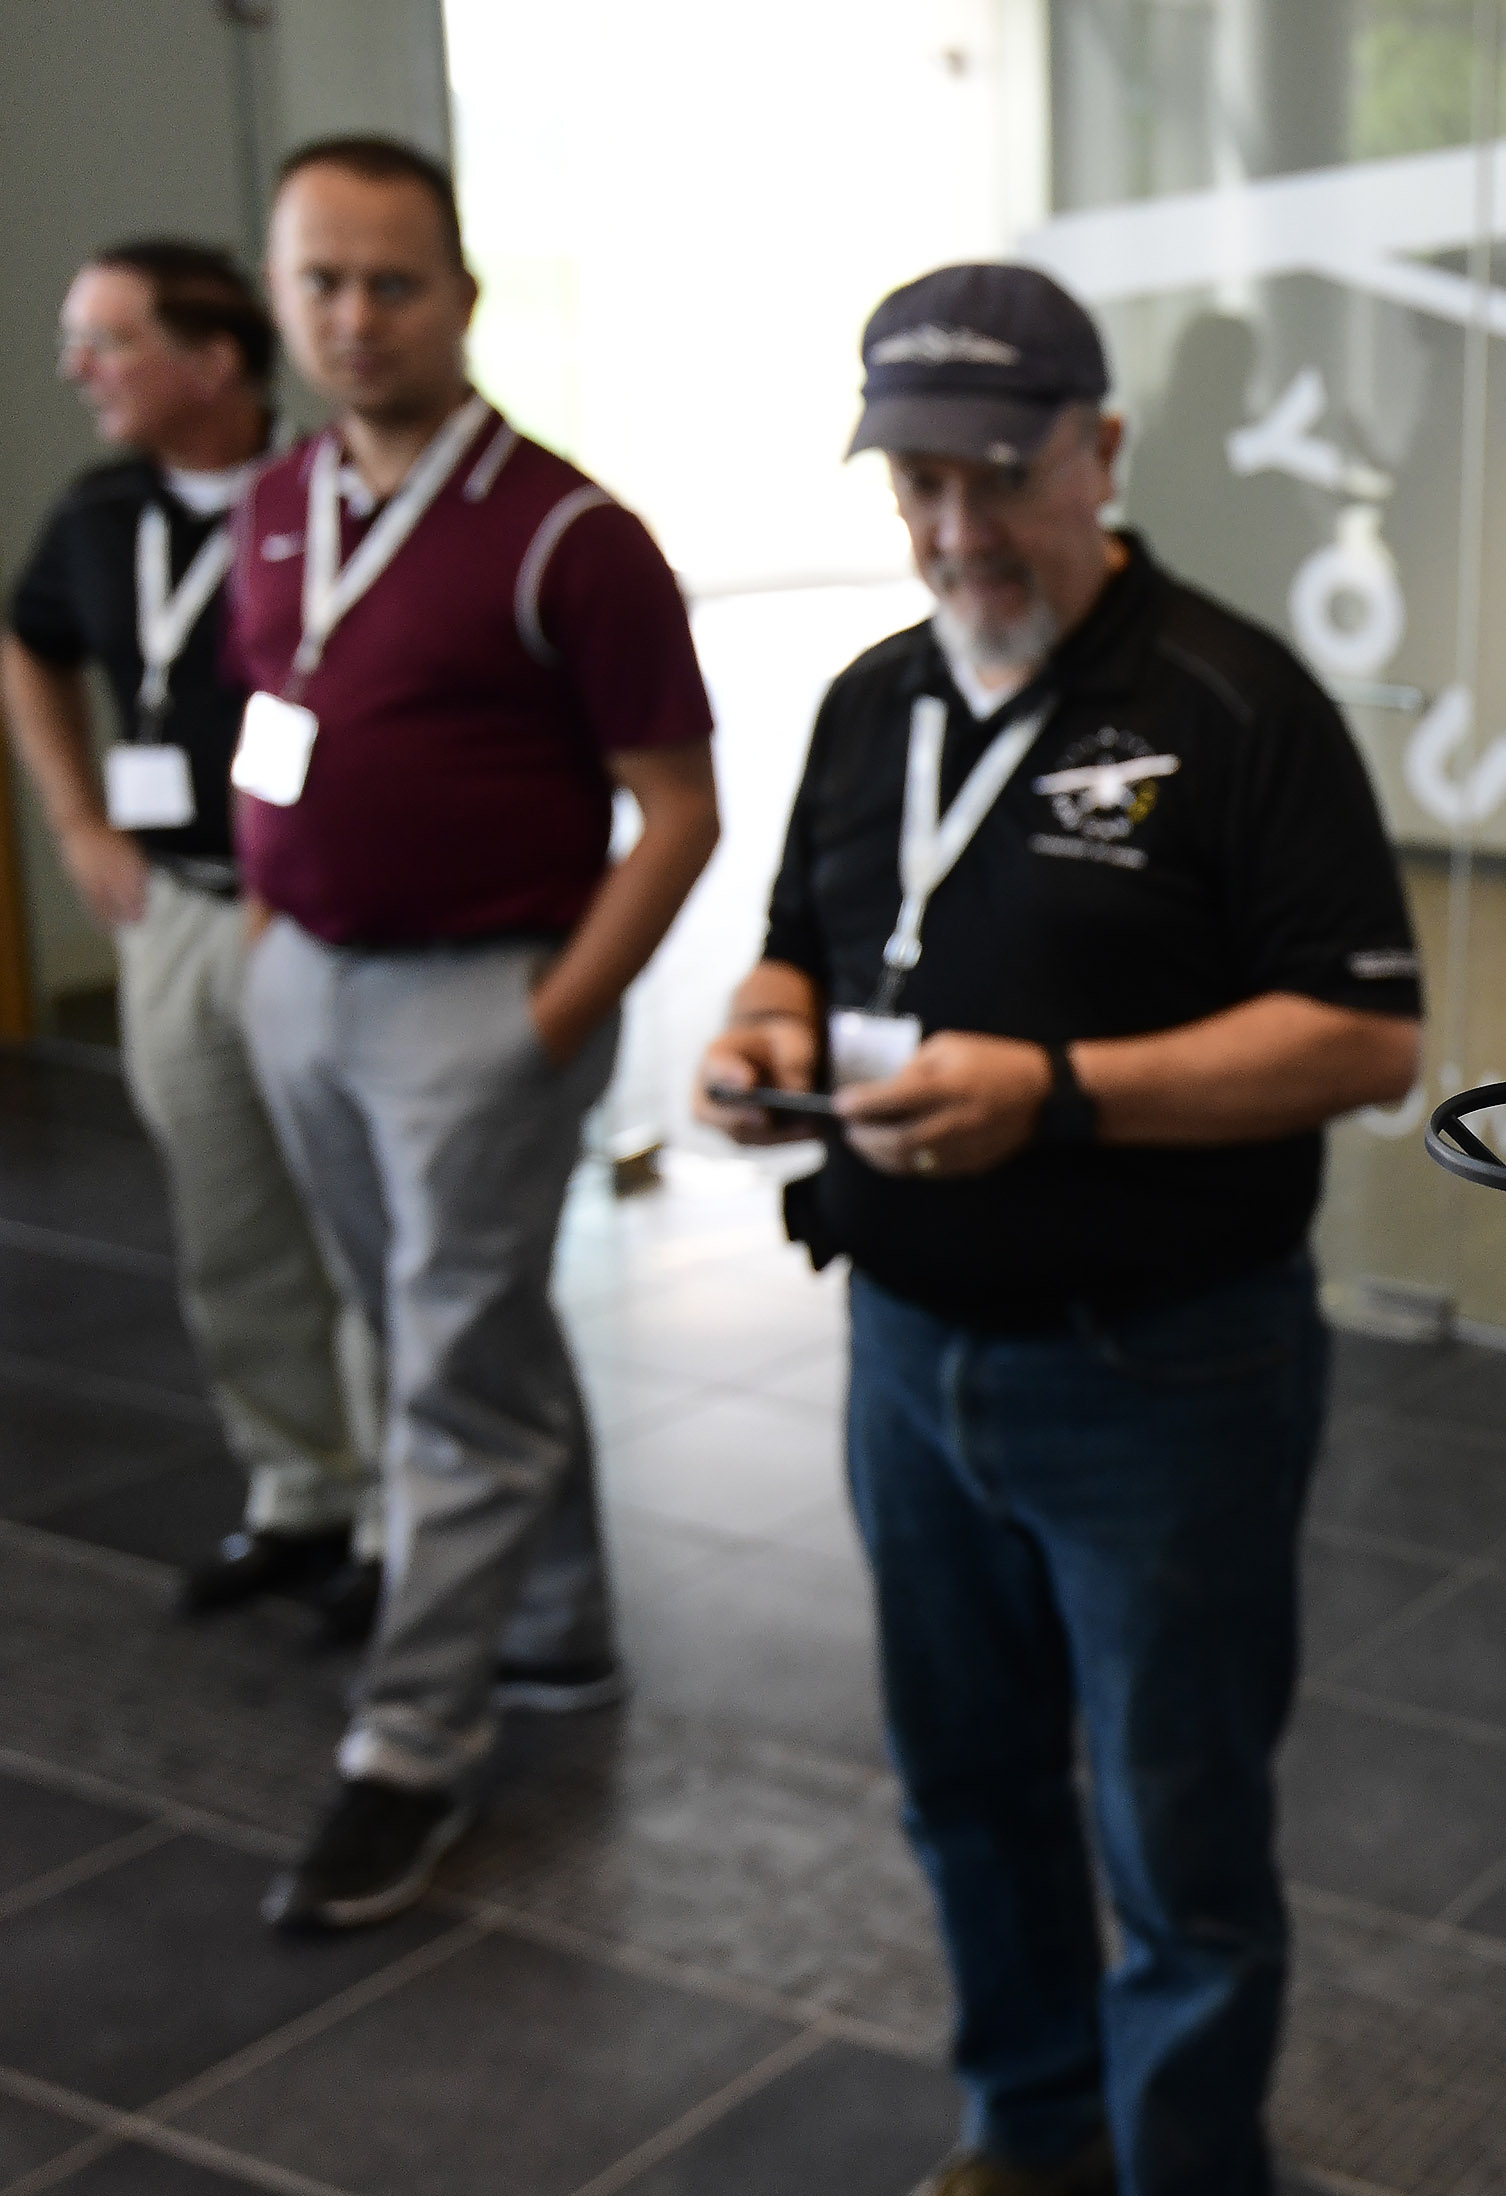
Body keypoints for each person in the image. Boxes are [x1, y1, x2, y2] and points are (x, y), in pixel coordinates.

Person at [694, 264, 1422, 2196]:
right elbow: (802, 937)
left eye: (998, 480)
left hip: (1164, 1369)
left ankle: (1188, 2168)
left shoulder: (1236, 704)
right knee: (967, 1789)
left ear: (1100, 453)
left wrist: (1061, 1088)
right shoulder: (870, 703)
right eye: (915, 484)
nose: (954, 531)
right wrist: (764, 1024)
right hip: (906, 1353)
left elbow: (1364, 1036)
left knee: (1178, 1833)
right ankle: (1029, 2134)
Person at [227, 137, 720, 1930]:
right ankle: (560, 1622)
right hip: (305, 979)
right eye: (320, 283)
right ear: (282, 294)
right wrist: (276, 922)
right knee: (444, 1321)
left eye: (393, 282)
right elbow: (275, 709)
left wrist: (549, 1020)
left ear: (462, 296)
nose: (355, 318)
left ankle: (413, 1748)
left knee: (444, 1364)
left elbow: (676, 809)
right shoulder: (280, 501)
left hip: (482, 1001)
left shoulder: (568, 536)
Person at [3, 240, 382, 1638]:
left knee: (357, 1225)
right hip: (173, 910)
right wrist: (75, 820)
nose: (76, 370)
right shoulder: (102, 512)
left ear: (213, 361)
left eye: (106, 340)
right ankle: (302, 1494)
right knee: (228, 1226)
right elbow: (28, 640)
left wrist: (298, 855)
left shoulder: (330, 500)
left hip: (320, 920)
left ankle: (403, 1520)